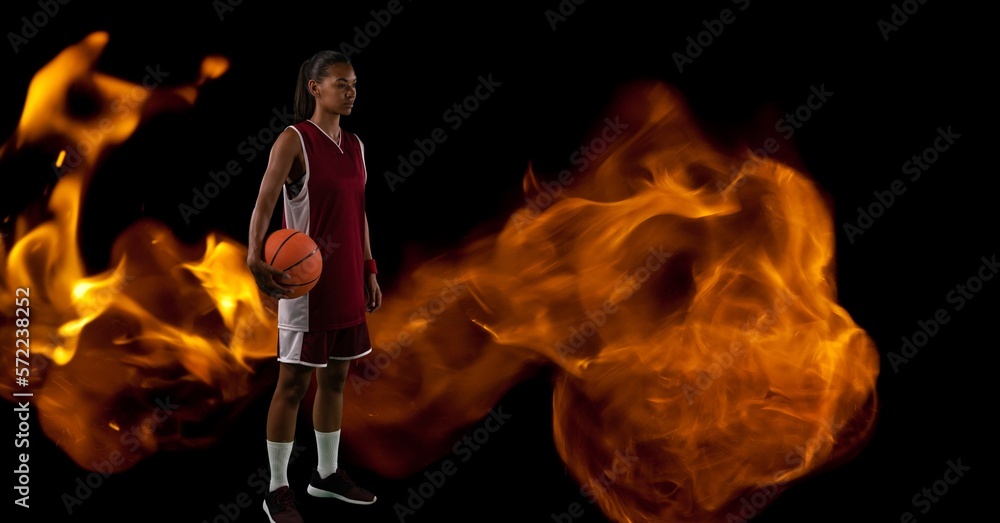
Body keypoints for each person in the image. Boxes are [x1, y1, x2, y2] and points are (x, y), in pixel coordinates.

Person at [246, 49, 382, 523]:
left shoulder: (357, 144)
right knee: (291, 384)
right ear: (314, 88)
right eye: (341, 83)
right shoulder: (294, 140)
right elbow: (264, 201)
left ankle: (325, 475)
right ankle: (277, 488)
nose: (351, 92)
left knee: (337, 379)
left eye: (354, 84)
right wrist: (253, 254)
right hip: (305, 289)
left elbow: (359, 212)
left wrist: (369, 269)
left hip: (346, 281)